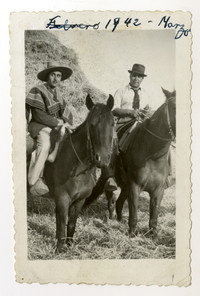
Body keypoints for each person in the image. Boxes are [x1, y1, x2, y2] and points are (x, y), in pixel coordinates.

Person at [104, 63, 156, 191]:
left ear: (142, 79)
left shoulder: (146, 94)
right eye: (134, 75)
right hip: (123, 123)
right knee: (113, 144)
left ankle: (164, 176)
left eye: (139, 77)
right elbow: (114, 109)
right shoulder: (121, 91)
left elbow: (149, 109)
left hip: (141, 124)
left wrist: (148, 112)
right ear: (130, 75)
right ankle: (110, 177)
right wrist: (130, 112)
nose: (136, 79)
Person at [26, 61, 73, 196]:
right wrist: (58, 122)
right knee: (45, 144)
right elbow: (38, 115)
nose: (55, 78)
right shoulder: (38, 90)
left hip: (55, 128)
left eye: (58, 76)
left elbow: (68, 116)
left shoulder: (60, 97)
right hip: (39, 126)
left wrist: (65, 123)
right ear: (47, 76)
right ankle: (34, 182)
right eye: (53, 75)